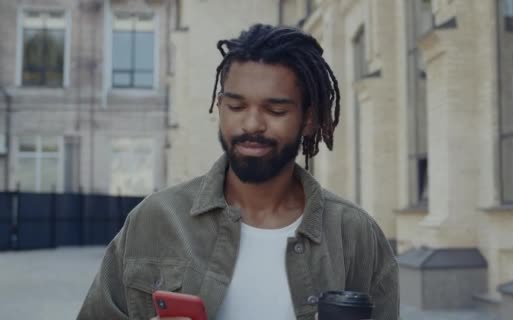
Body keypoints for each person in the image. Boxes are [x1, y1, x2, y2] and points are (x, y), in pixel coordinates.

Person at [78, 24, 398, 320]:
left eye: (276, 110)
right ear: (219, 107)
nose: (251, 124)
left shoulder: (354, 234)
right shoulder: (155, 219)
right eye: (236, 106)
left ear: (309, 118)